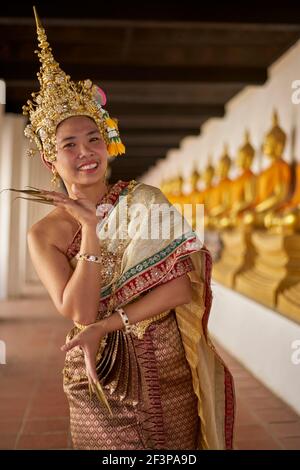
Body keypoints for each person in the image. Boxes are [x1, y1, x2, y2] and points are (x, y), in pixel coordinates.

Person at [19, 8, 235, 450]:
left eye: (93, 138)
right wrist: (91, 232)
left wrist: (111, 323)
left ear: (108, 141)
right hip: (96, 368)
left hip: (163, 360)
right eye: (69, 145)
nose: (86, 152)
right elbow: (80, 313)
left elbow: (179, 290)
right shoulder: (43, 234)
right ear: (50, 160)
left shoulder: (146, 200)